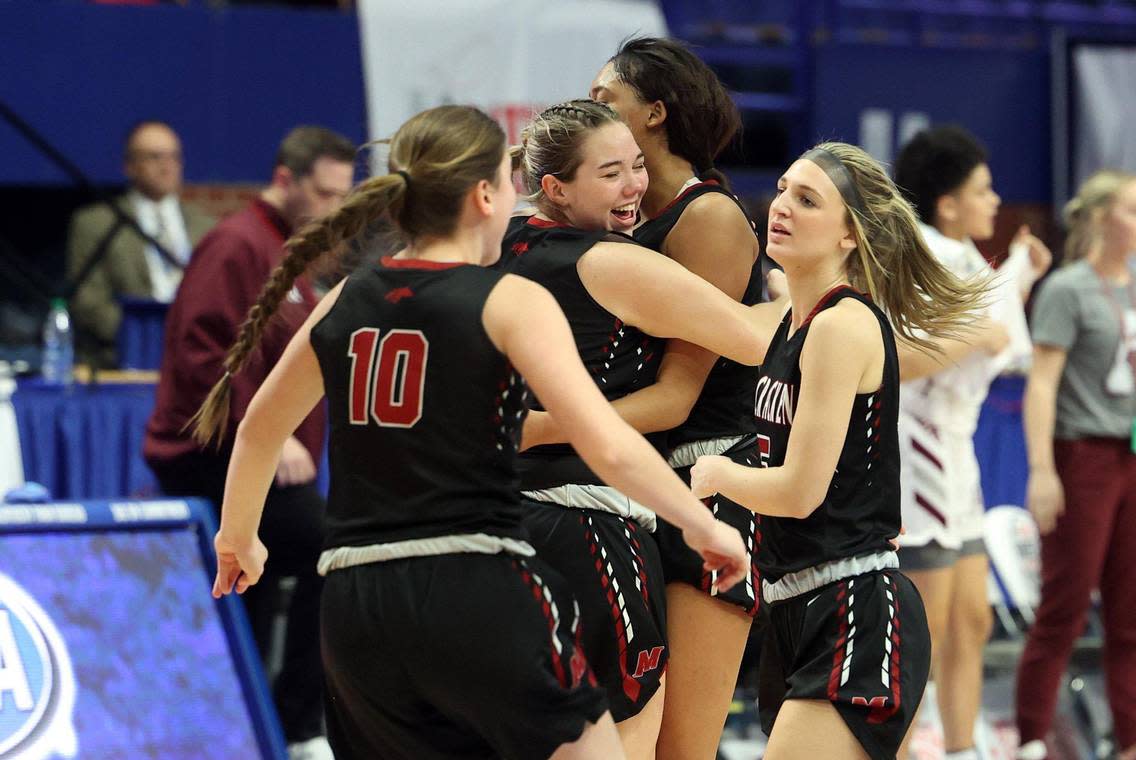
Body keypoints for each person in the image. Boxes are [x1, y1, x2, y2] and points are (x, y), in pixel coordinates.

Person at [194, 104, 750, 760]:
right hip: (470, 583)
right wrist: (704, 525)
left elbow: (258, 428)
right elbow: (607, 444)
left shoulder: (349, 293)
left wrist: (238, 538)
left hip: (354, 601)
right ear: (485, 195)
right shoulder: (507, 299)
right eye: (510, 185)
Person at [503, 99, 786, 759]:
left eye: (635, 165)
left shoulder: (493, 242)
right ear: (555, 187)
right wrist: (819, 285)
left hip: (498, 526)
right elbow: (747, 341)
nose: (633, 184)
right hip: (591, 527)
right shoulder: (608, 261)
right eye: (610, 173)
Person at [689, 142, 987, 760]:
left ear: (851, 234)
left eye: (807, 200)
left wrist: (715, 473)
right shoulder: (794, 321)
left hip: (855, 607)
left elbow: (800, 490)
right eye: (781, 191)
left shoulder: (840, 327)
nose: (782, 208)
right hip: (795, 605)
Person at [143, 125, 355, 759]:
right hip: (209, 460)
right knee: (331, 545)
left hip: (261, 464)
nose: (337, 211)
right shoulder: (236, 245)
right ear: (285, 180)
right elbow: (201, 356)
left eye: (345, 198)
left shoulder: (289, 251)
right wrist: (267, 431)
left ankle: (252, 723)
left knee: (258, 591)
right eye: (325, 194)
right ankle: (299, 723)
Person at [586, 37, 769, 759]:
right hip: (642, 484)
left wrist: (533, 431)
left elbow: (675, 396)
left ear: (654, 114)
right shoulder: (620, 223)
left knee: (680, 747)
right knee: (626, 734)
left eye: (605, 101)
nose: (587, 110)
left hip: (710, 479)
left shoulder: (709, 218)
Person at [890, 125, 1051, 760]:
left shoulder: (958, 258)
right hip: (918, 446)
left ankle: (960, 750)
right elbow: (898, 359)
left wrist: (1018, 278)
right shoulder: (918, 254)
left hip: (957, 453)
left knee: (973, 622)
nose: (995, 200)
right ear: (948, 201)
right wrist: (976, 332)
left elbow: (995, 329)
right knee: (920, 634)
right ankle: (895, 748)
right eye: (982, 190)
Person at [1015, 170, 1136, 760]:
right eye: (1134, 211)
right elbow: (1041, 385)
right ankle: (1034, 737)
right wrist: (1042, 471)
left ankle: (1131, 740)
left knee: (1132, 611)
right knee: (1064, 607)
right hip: (1082, 455)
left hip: (1133, 456)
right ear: (1100, 218)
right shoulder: (1067, 289)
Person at [66, 120, 215, 367]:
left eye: (174, 157)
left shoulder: (206, 226)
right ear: (130, 166)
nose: (167, 166)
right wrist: (147, 338)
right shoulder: (98, 222)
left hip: (196, 358)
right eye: (155, 157)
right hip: (124, 358)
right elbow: (88, 301)